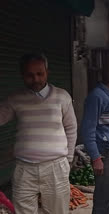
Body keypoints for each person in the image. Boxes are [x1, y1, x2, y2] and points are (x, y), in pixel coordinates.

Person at [0, 53, 77, 213]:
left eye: (39, 74)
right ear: (22, 75)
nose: (35, 79)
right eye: (30, 75)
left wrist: (68, 160)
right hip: (24, 169)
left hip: (55, 167)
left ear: (47, 72)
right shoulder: (15, 98)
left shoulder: (62, 96)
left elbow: (71, 128)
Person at [81, 69, 109, 214]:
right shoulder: (96, 96)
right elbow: (87, 130)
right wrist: (96, 157)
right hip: (105, 151)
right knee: (104, 196)